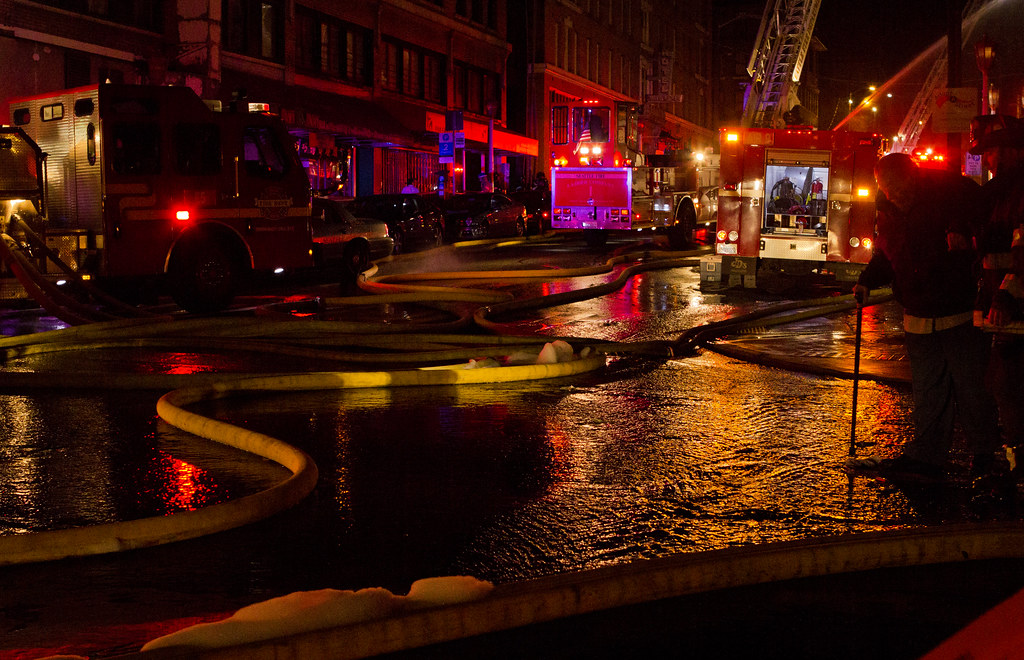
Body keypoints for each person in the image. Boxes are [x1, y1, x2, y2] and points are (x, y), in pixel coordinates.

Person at [852, 152, 1002, 483]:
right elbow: (887, 254)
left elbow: (981, 209)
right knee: (929, 390)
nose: (890, 192)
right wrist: (866, 280)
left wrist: (960, 228)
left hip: (955, 309)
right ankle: (929, 456)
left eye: (894, 185)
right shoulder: (890, 210)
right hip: (918, 313)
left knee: (971, 386)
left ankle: (985, 456)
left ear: (911, 179)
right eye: (884, 186)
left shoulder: (945, 195)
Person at [970, 115, 1024, 478]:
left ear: (1009, 152)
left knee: (1011, 383)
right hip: (1003, 303)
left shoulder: (1018, 192)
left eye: (991, 152)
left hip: (1015, 305)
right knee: (1002, 381)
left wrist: (1005, 296)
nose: (987, 160)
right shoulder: (1002, 193)